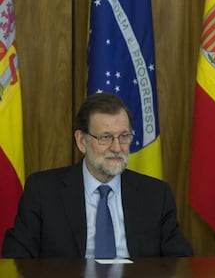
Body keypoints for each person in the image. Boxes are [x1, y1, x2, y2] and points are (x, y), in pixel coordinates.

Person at [2, 92, 193, 258]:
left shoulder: (155, 194)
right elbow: (17, 258)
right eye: (105, 137)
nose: (117, 148)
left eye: (124, 136)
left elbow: (179, 260)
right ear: (82, 141)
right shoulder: (43, 191)